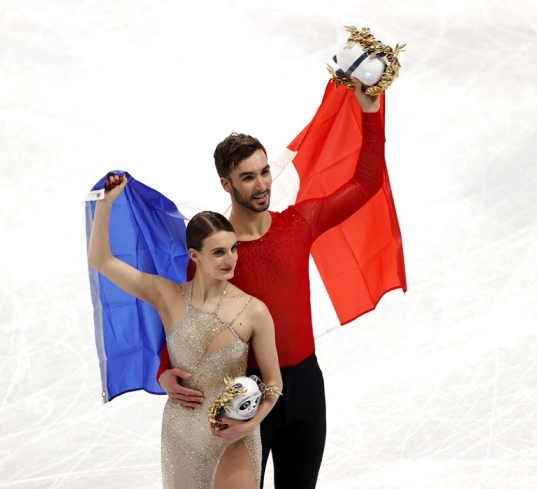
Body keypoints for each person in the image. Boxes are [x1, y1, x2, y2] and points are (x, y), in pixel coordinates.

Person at [157, 83, 386, 488]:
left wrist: (371, 110)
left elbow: (367, 182)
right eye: (248, 177)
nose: (262, 184)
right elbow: (188, 311)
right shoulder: (218, 253)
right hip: (242, 396)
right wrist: (164, 370)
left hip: (307, 387)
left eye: (264, 172)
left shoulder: (299, 224)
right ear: (226, 184)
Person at [87, 172, 283, 489]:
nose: (231, 259)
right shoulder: (167, 296)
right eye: (219, 252)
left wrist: (250, 425)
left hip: (234, 433)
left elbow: (273, 383)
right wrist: (106, 204)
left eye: (233, 248)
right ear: (194, 255)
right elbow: (101, 260)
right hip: (182, 432)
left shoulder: (254, 311)